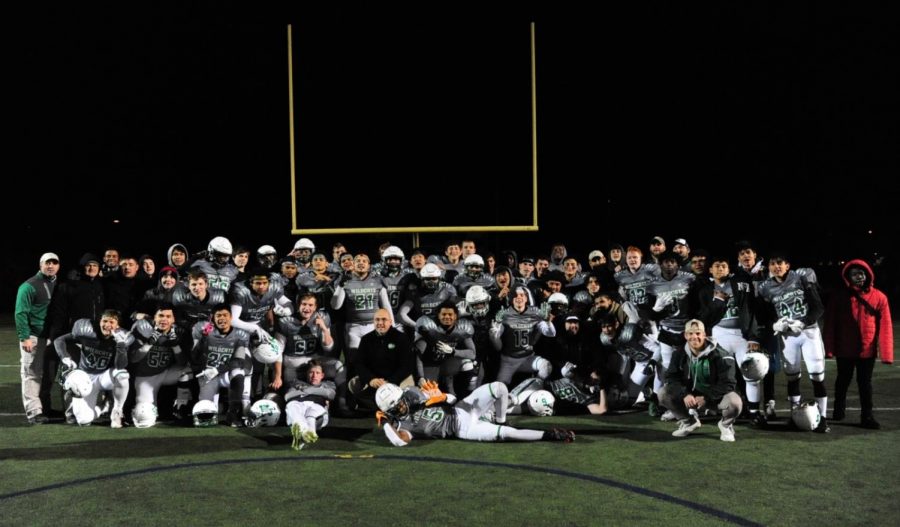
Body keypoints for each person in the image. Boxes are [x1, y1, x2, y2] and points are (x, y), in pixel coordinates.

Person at [756, 252, 830, 433]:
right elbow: (764, 315)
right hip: (787, 336)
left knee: (817, 375)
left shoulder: (801, 278)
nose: (776, 267)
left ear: (787, 265)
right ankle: (794, 416)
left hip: (808, 332)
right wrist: (774, 323)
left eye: (780, 263)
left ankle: (823, 418)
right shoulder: (765, 287)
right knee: (792, 376)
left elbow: (818, 306)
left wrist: (804, 321)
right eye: (773, 264)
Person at [375, 380, 575, 446]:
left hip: (463, 407)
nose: (402, 406)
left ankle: (501, 419)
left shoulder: (412, 394)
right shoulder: (402, 427)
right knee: (507, 435)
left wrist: (440, 396)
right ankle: (549, 435)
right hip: (463, 428)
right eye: (396, 407)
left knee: (499, 387)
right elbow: (400, 441)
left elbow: (452, 399)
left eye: (401, 401)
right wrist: (385, 422)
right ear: (388, 411)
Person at [824, 259, 893, 429]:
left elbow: (886, 327)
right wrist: (829, 349)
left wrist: (886, 354)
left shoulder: (879, 297)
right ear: (848, 276)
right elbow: (830, 324)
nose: (859, 277)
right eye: (855, 274)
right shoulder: (839, 297)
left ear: (868, 275)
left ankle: (867, 416)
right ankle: (838, 411)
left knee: (865, 383)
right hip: (844, 349)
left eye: (862, 274)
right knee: (842, 380)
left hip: (866, 350)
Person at [659, 319, 742, 442]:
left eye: (698, 333)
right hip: (690, 398)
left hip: (714, 397)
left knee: (735, 402)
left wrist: (707, 398)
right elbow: (671, 377)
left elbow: (728, 383)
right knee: (663, 393)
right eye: (691, 333)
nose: (694, 337)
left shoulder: (721, 354)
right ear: (685, 335)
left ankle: (725, 425)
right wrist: (685, 394)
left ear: (704, 335)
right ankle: (689, 422)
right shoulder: (679, 353)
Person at [54, 309, 132, 427]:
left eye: (112, 322)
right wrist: (65, 357)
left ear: (117, 325)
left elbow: (120, 366)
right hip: (86, 378)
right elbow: (59, 340)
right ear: (99, 321)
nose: (107, 325)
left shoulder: (122, 338)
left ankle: (117, 411)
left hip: (105, 376)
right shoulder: (87, 332)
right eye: (105, 321)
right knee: (83, 420)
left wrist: (120, 344)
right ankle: (103, 408)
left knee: (122, 375)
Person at [16, 252, 60, 424]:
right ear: (40, 265)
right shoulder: (28, 286)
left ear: (58, 265)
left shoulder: (58, 283)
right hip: (34, 337)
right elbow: (20, 313)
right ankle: (34, 412)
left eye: (54, 263)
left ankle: (45, 408)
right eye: (47, 263)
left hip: (51, 337)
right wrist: (24, 337)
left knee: (48, 374)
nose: (50, 266)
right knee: (31, 374)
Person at [347, 308, 415, 411]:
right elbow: (359, 364)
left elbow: (407, 366)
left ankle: (390, 405)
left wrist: (390, 382)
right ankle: (379, 405)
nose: (380, 323)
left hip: (396, 380)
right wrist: (371, 379)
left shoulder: (401, 338)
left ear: (390, 321)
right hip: (376, 380)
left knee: (409, 387)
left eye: (384, 320)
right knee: (353, 384)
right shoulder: (366, 339)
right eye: (377, 320)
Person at [285, 360, 336, 450]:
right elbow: (287, 396)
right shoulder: (297, 383)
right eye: (311, 372)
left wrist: (306, 390)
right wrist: (316, 391)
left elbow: (330, 394)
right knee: (292, 406)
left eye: (317, 373)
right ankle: (306, 434)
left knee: (311, 414)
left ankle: (306, 432)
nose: (314, 376)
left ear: (322, 375)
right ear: (307, 374)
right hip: (299, 405)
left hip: (317, 407)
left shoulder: (327, 384)